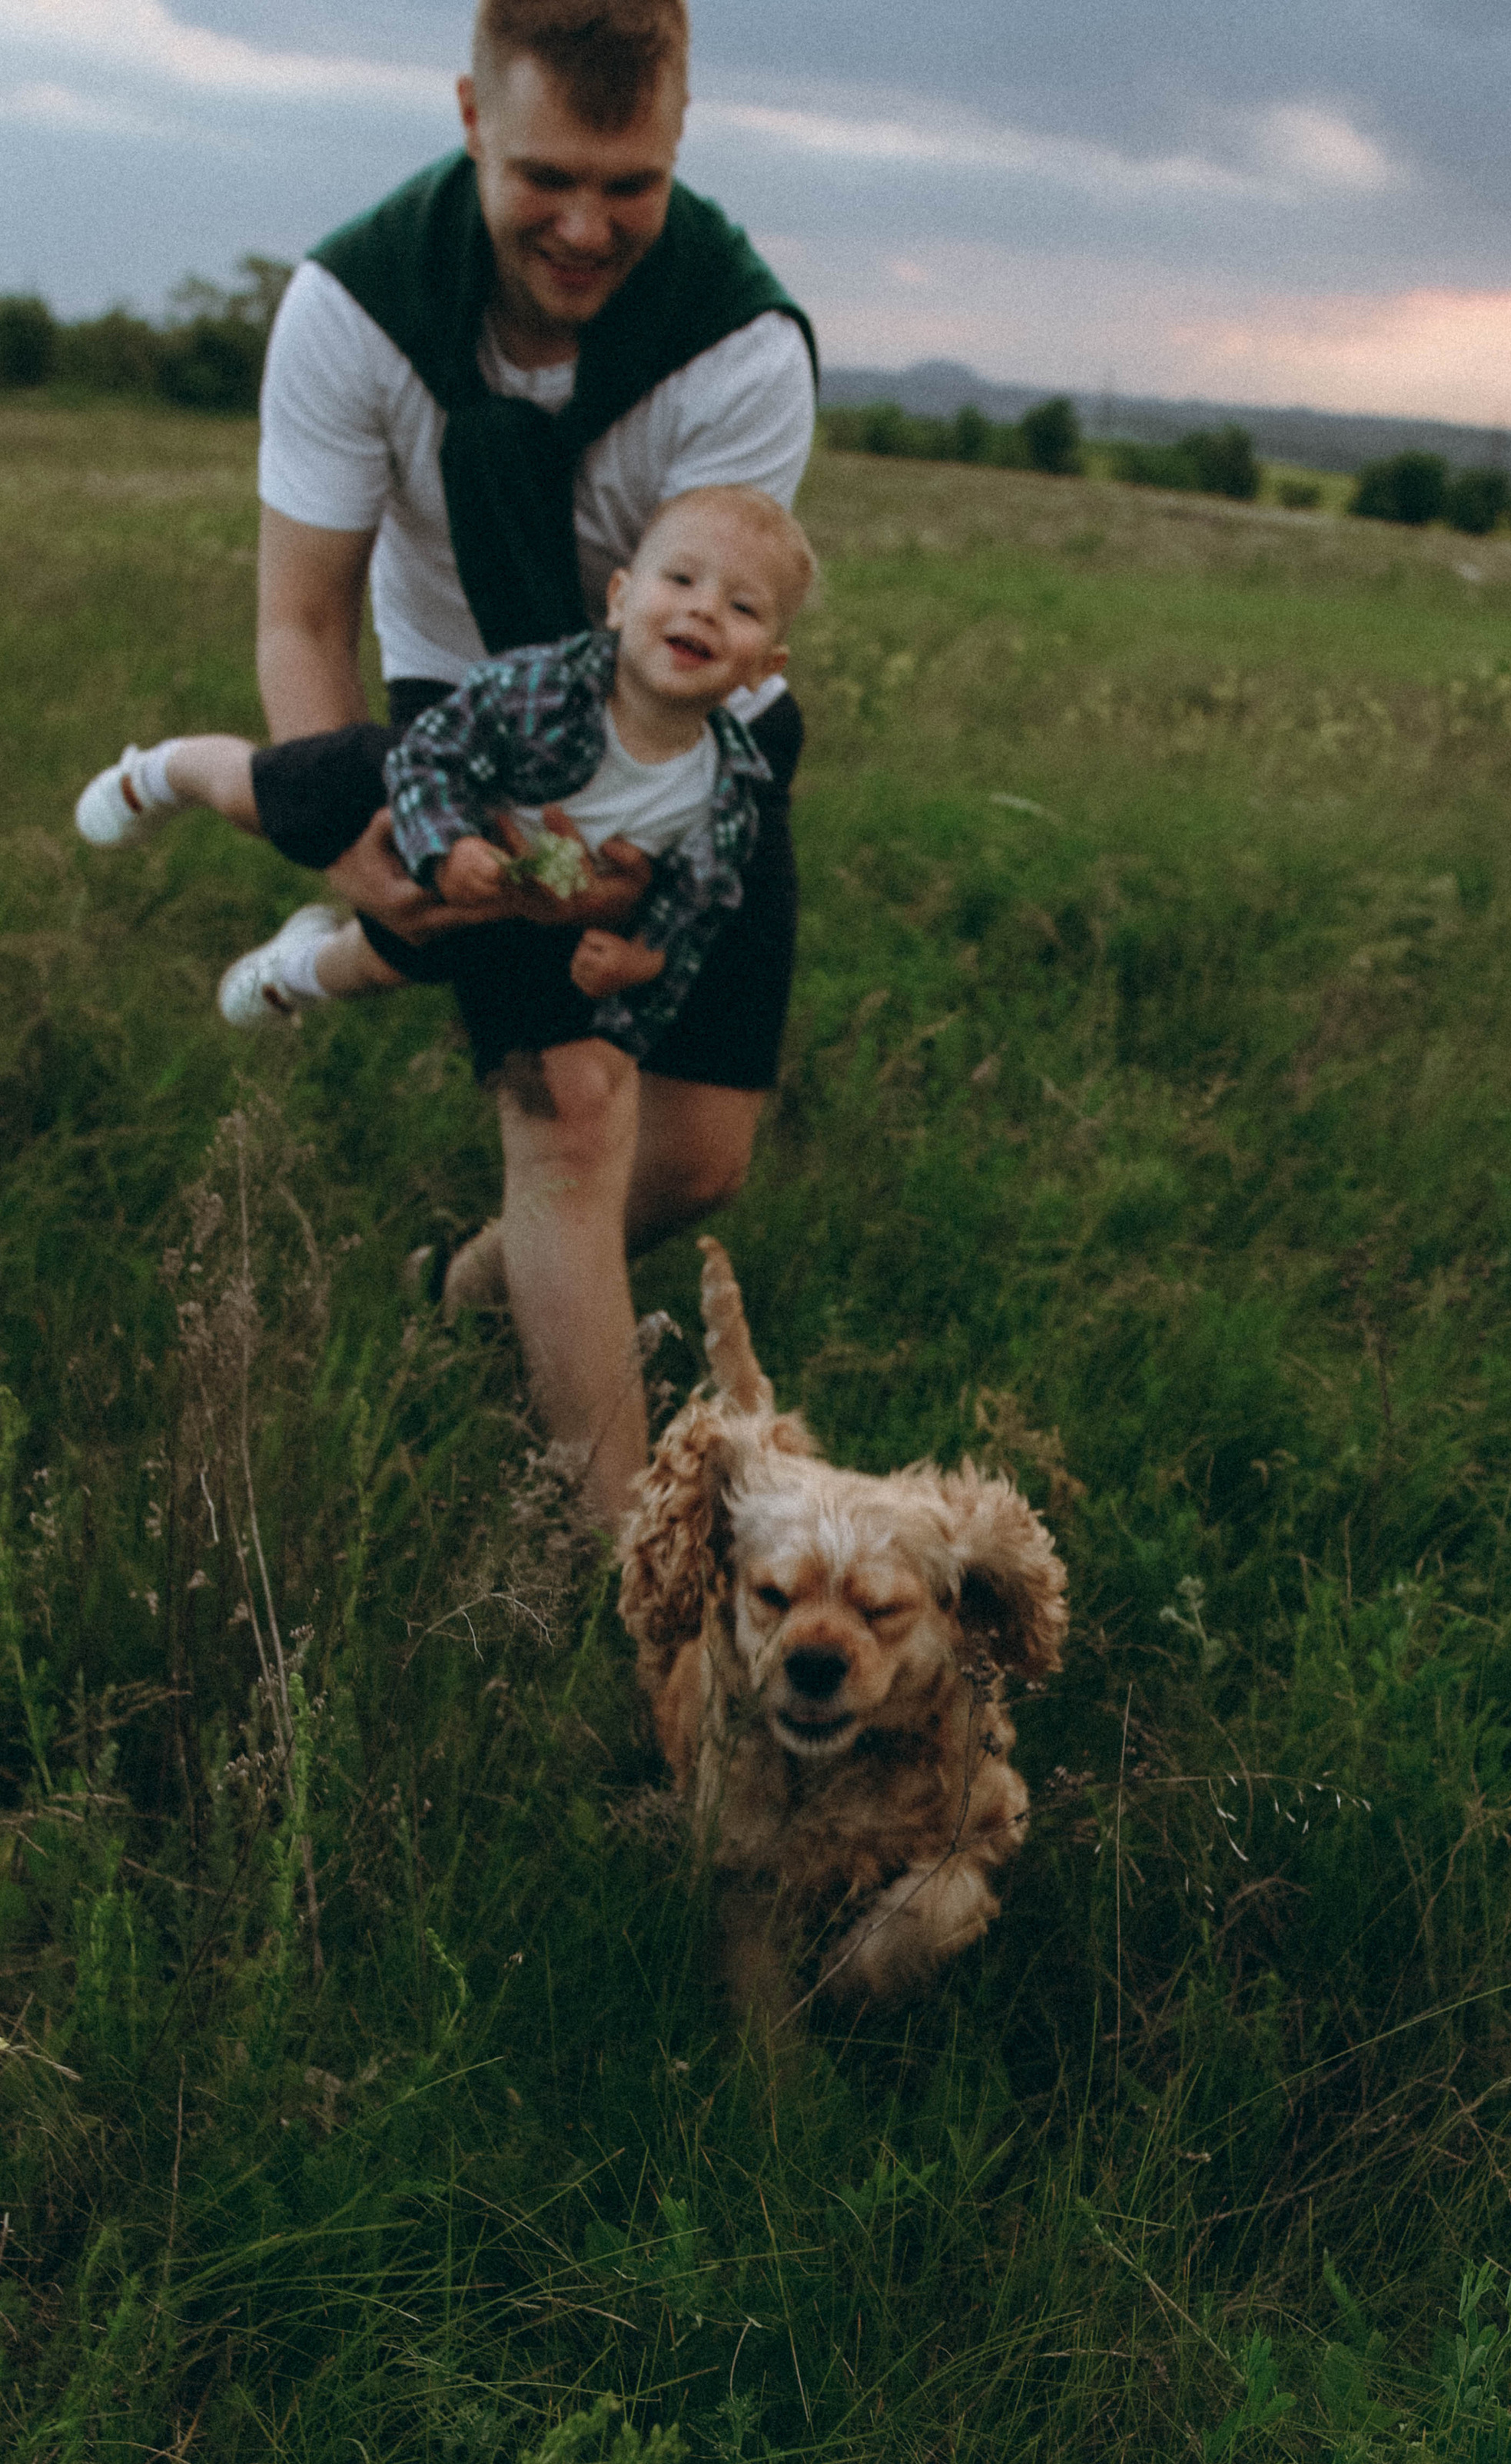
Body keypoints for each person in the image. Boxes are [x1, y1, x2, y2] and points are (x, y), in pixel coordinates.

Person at [221, 0, 814, 1524]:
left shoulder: (741, 344)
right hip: (463, 700)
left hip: (692, 743)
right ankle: (637, 1590)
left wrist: (641, 863)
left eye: (631, 183)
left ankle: (473, 1295)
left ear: (678, 137)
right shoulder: (353, 309)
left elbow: (706, 646)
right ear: (472, 117)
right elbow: (301, 615)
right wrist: (357, 812)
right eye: (547, 172)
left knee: (688, 1165)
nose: (584, 224)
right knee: (570, 1115)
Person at [76, 482, 814, 1040]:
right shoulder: (546, 688)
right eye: (681, 580)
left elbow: (700, 894)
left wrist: (644, 959)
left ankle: (292, 975)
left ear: (765, 668)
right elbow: (429, 750)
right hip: (407, 791)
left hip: (512, 896)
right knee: (271, 796)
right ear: (620, 599)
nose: (705, 608)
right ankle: (169, 770)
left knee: (397, 958)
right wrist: (448, 842)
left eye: (743, 607)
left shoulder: (726, 790)